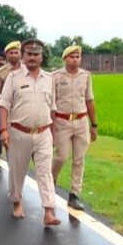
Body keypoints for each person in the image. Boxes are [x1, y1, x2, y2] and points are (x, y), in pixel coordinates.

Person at [0, 38, 60, 226]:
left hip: (43, 133)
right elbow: (4, 104)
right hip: (19, 132)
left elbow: (53, 108)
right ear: (23, 56)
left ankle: (49, 211)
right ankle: (17, 202)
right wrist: (3, 129)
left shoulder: (49, 79)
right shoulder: (14, 77)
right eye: (29, 54)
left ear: (42, 57)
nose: (32, 58)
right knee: (17, 171)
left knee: (45, 172)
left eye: (36, 54)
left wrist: (53, 131)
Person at [51, 45, 98, 210]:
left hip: (81, 121)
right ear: (65, 58)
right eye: (72, 57)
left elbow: (89, 100)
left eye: (78, 57)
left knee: (79, 160)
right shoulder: (56, 76)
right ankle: (51, 181)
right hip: (62, 122)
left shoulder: (85, 76)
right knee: (61, 157)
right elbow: (51, 103)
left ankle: (74, 194)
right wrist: (50, 125)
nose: (75, 60)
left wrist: (94, 125)